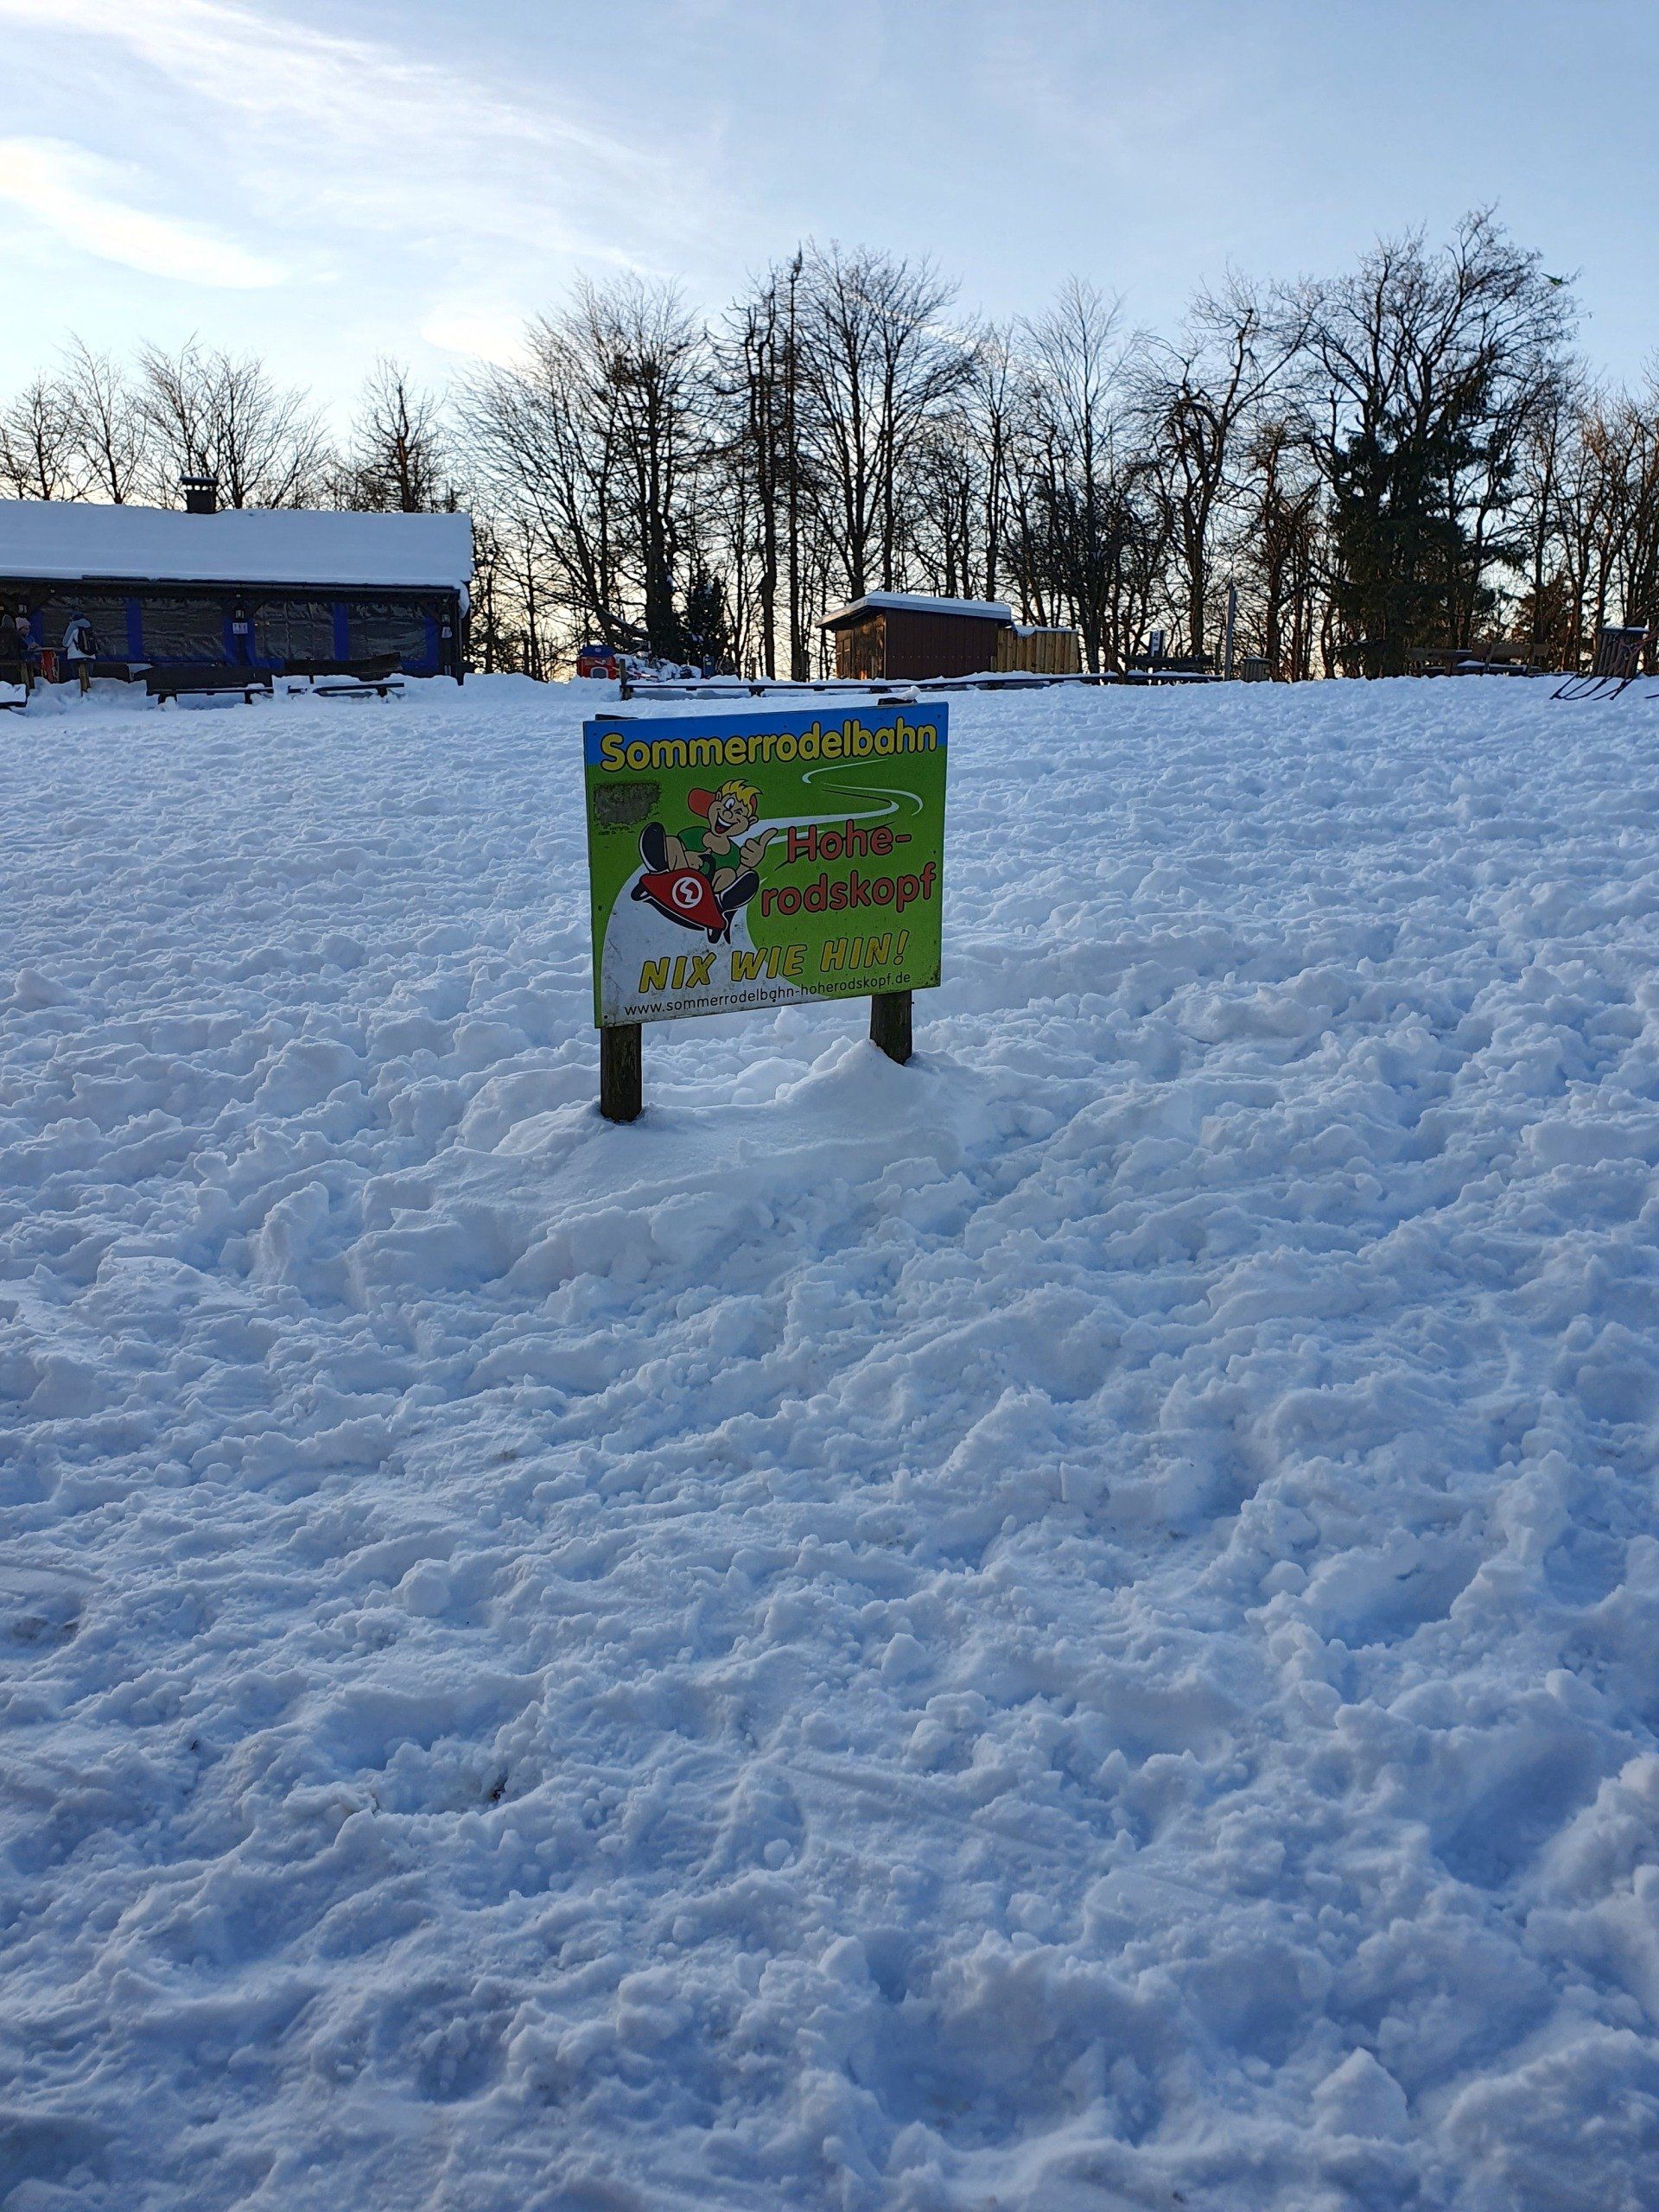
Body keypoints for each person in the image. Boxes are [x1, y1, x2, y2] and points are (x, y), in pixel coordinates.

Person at [62, 612, 97, 694]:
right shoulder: (89, 626)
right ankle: (91, 692)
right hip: (90, 655)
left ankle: (78, 693)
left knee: (77, 679)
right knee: (89, 677)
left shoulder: (73, 626)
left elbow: (65, 643)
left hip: (75, 656)